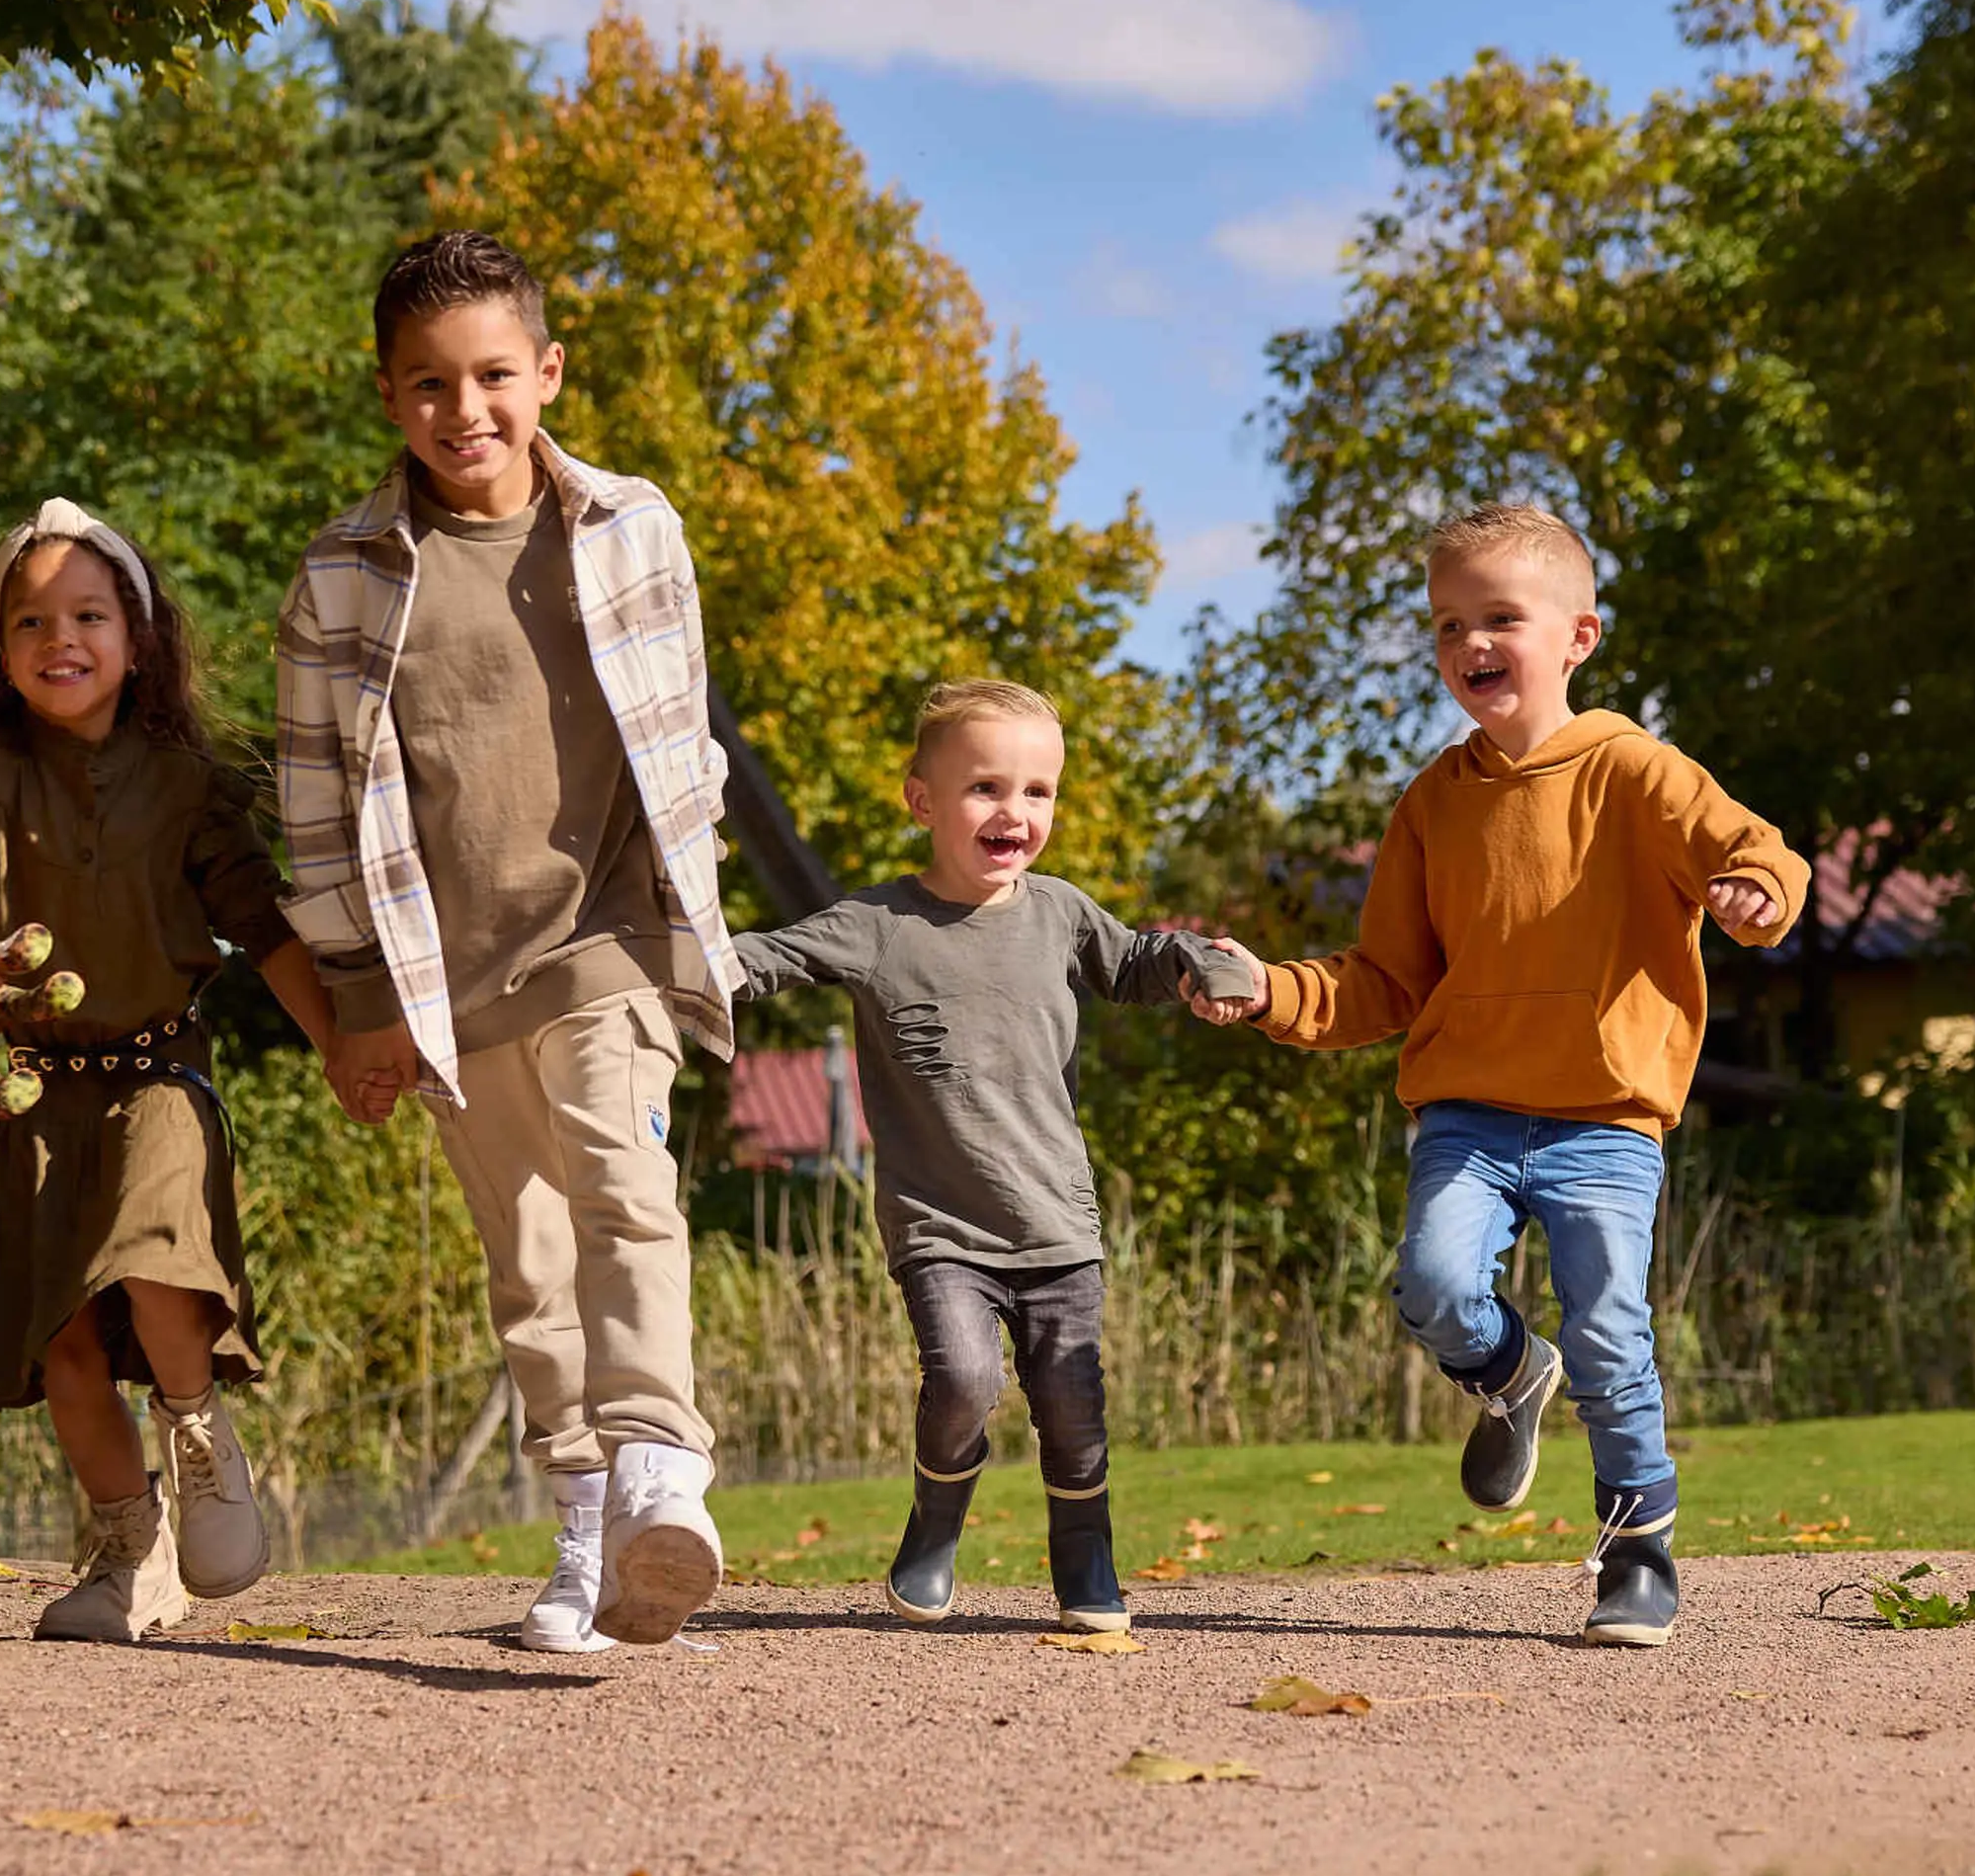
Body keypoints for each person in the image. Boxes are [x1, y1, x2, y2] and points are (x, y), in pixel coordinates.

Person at [1193, 503, 1807, 1649]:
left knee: (1614, 1333)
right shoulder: (1431, 804)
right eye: (1447, 625)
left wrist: (1757, 890)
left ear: (1578, 636)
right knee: (1429, 1283)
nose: (1471, 643)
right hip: (1468, 1111)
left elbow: (1751, 845)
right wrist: (1270, 989)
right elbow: (1383, 977)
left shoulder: (1634, 771)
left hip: (1606, 1119)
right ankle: (1513, 1373)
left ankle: (1636, 1550)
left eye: (1500, 619)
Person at [273, 230, 742, 1654]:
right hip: (440, 967)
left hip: (608, 936)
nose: (462, 410)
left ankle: (664, 1461)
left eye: (491, 375)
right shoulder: (346, 574)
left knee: (622, 1181)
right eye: (426, 383)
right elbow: (309, 808)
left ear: (546, 372)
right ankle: (592, 1526)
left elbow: (684, 737)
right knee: (529, 1259)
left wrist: (693, 903)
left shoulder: (630, 526)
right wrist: (356, 994)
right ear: (386, 394)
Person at [0, 500, 333, 1641]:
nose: (63, 638)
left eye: (90, 614)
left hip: (162, 1080)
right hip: (36, 1100)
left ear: (138, 637)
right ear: (0, 653)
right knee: (63, 1350)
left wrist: (348, 1050)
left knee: (157, 1260)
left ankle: (200, 1441)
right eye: (31, 621)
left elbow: (271, 928)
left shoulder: (190, 783)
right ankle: (124, 1551)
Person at [731, 680, 1258, 1634]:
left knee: (1072, 1405)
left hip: (1056, 1219)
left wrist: (1194, 962)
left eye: (1038, 792)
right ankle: (936, 1521)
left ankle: (1085, 1564)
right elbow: (766, 959)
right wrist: (682, 971)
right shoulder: (878, 926)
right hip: (942, 1226)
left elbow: (1136, 961)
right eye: (985, 788)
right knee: (966, 1379)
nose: (1014, 811)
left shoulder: (1059, 914)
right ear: (922, 800)